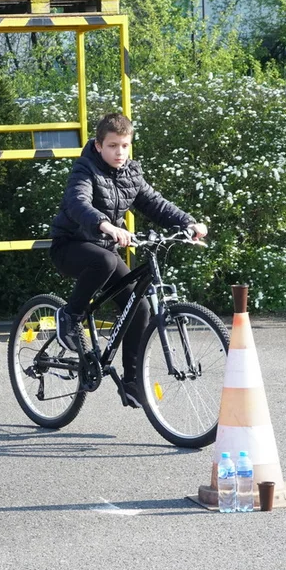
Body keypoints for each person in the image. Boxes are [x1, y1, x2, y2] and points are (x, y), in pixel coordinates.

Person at [48, 112, 207, 408]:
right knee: (106, 262)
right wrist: (104, 224)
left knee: (141, 307)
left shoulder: (131, 174)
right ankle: (70, 316)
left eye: (125, 145)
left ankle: (133, 383)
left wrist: (189, 223)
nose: (119, 152)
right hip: (70, 246)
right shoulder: (84, 169)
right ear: (98, 145)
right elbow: (77, 202)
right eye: (112, 146)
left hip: (104, 251)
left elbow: (156, 204)